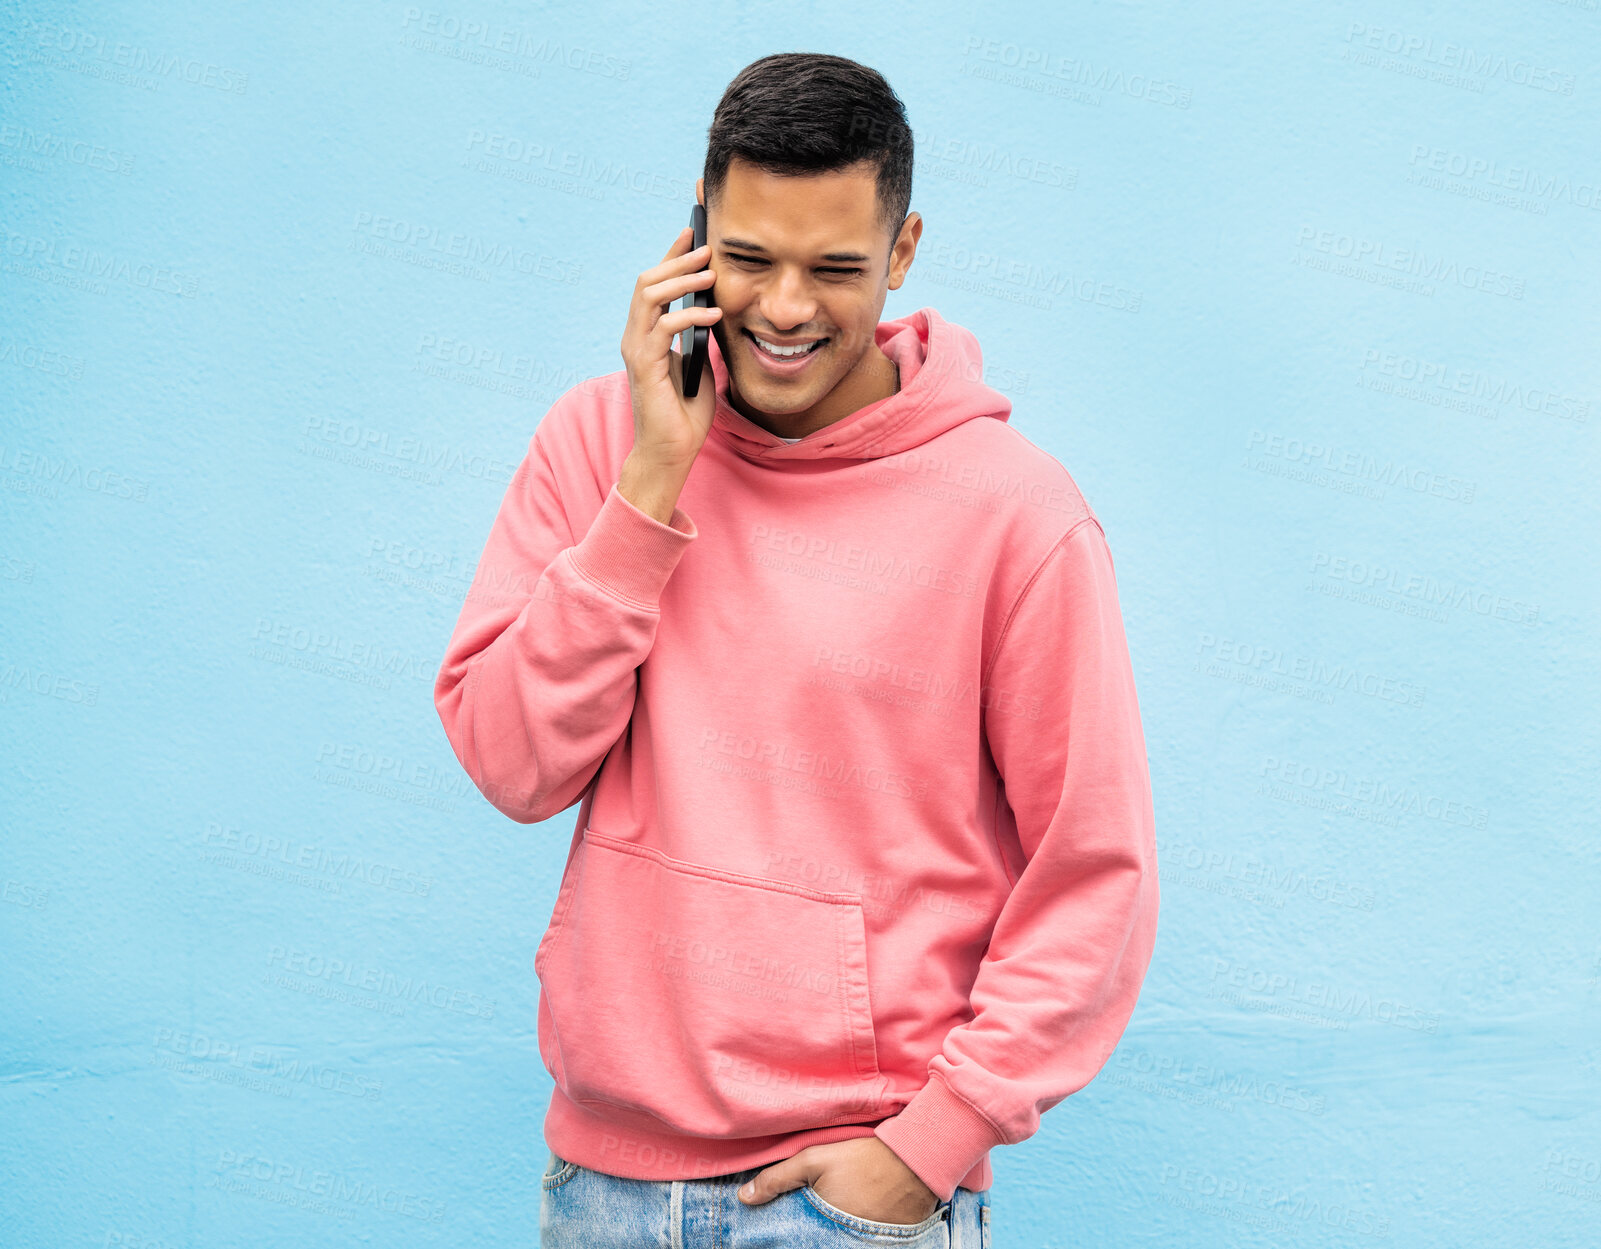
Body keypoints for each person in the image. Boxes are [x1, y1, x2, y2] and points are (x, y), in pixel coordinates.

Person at [433, 50, 1160, 1248]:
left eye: (833, 269)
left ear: (904, 250)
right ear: (692, 234)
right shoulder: (596, 443)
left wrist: (932, 1146)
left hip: (851, 1206)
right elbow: (513, 767)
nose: (780, 309)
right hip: (600, 1188)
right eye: (745, 258)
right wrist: (650, 485)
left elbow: (1096, 872)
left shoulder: (1014, 515)